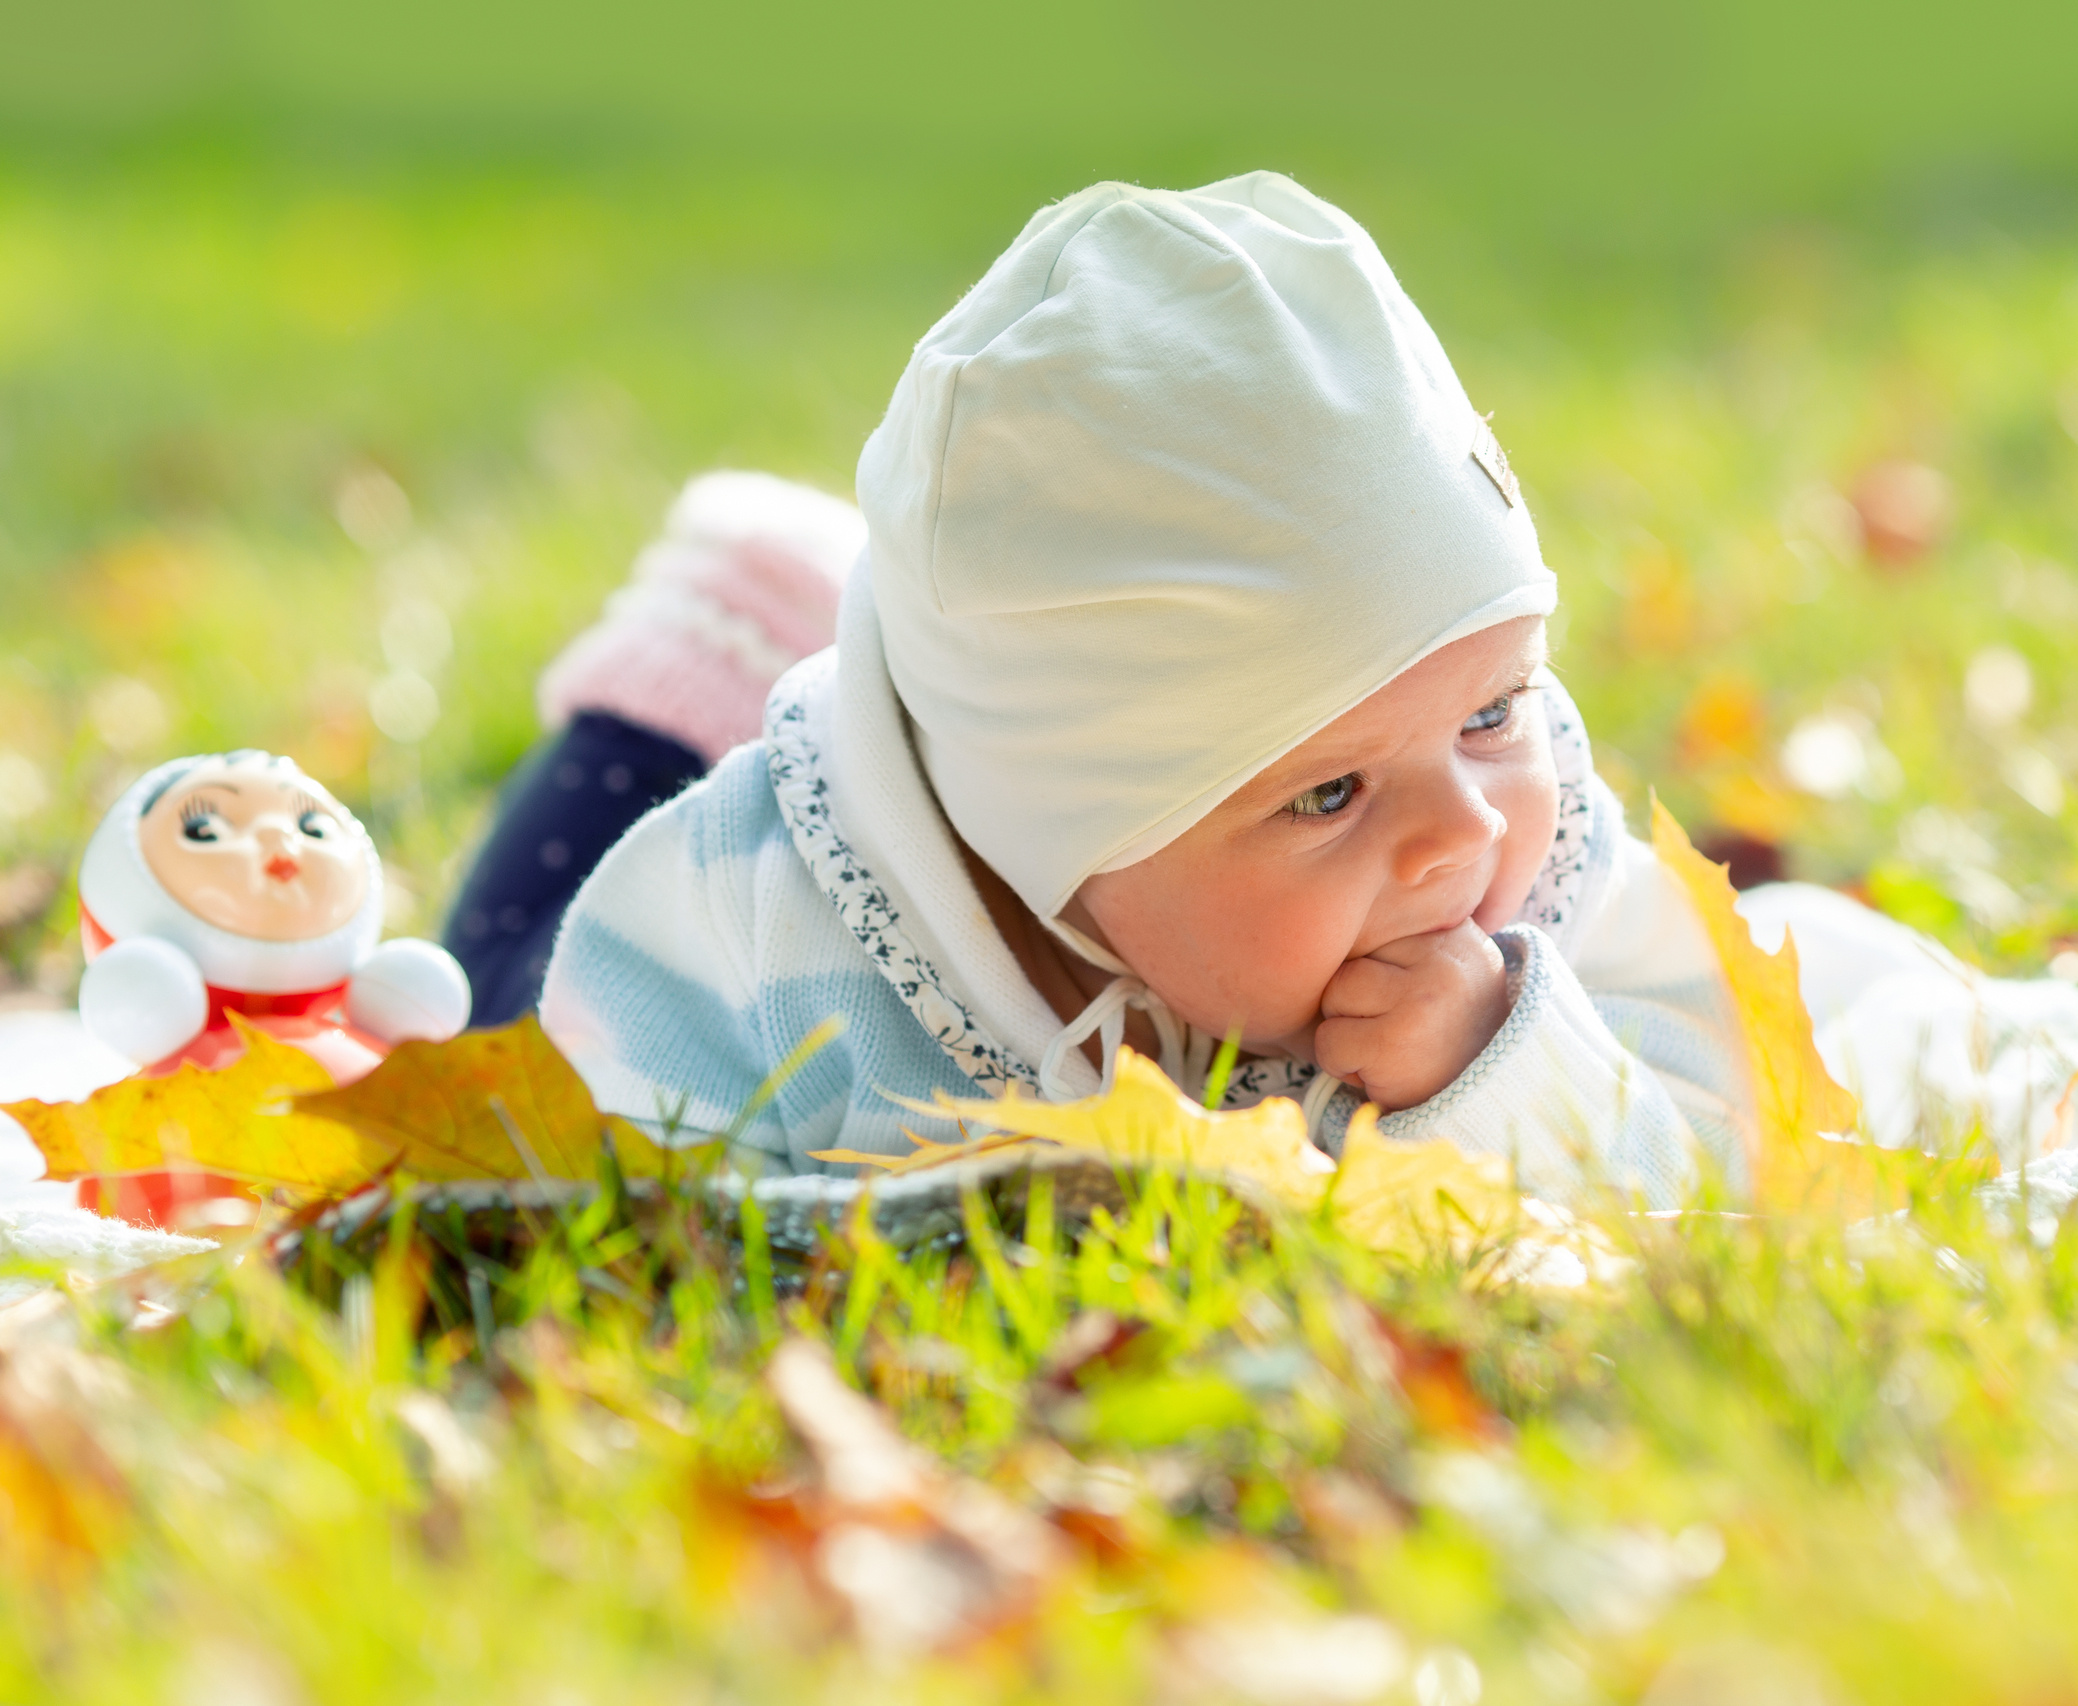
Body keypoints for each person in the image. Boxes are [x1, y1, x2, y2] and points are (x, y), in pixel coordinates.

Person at [450, 174, 1752, 1207]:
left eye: (1491, 711)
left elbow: (1720, 1161)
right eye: (1332, 791)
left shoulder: (1546, 881)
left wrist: (1509, 1069)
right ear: (1052, 844)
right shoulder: (756, 924)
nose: (1465, 829)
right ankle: (737, 619)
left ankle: (868, 611)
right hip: (626, 901)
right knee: (472, 998)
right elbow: (579, 1163)